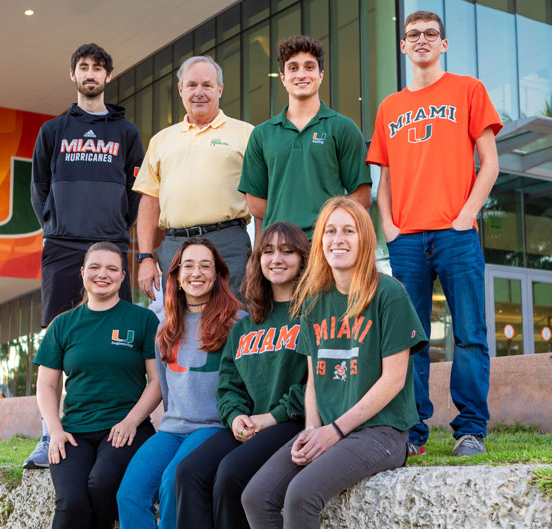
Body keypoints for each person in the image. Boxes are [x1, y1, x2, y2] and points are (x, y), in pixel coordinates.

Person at [241, 197, 427, 529]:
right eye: (330, 230)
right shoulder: (313, 302)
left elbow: (393, 380)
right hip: (327, 428)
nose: (337, 239)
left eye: (348, 230)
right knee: (256, 496)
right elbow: (314, 379)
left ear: (365, 239)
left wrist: (335, 431)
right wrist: (312, 430)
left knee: (300, 496)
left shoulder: (389, 294)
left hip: (380, 432)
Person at [366, 10, 502, 457]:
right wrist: (388, 226)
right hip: (406, 238)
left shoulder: (468, 90)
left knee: (469, 332)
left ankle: (470, 429)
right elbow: (383, 177)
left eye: (430, 34)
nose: (421, 40)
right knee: (410, 337)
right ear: (403, 47)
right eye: (412, 35)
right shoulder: (390, 107)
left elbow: (490, 164)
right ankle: (412, 430)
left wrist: (465, 216)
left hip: (455, 233)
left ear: (443, 44)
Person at [27, 43, 145, 469]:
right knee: (57, 337)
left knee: (123, 336)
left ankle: (125, 429)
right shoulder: (53, 131)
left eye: (98, 68)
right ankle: (48, 435)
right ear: (73, 75)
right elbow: (38, 185)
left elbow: (138, 191)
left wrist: (117, 226)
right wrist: (55, 223)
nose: (91, 74)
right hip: (62, 244)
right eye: (83, 67)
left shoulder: (127, 134)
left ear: (108, 77)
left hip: (112, 242)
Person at [175, 222, 310, 529]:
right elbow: (228, 385)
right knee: (188, 471)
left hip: (292, 422)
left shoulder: (312, 313)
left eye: (287, 251)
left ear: (303, 259)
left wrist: (270, 417)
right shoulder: (247, 325)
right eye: (269, 251)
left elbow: (318, 383)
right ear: (257, 260)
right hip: (248, 425)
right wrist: (236, 417)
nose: (277, 259)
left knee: (231, 473)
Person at [117, 237, 243, 529]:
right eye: (188, 265)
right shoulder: (166, 326)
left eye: (205, 266)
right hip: (172, 428)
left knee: (173, 484)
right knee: (129, 493)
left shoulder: (237, 322)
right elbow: (164, 385)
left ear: (217, 275)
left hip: (212, 427)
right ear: (176, 275)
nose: (196, 273)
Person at [33, 242, 161, 529]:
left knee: (102, 483)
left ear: (123, 276)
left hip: (128, 429)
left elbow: (157, 382)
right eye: (94, 267)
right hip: (75, 431)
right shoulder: (62, 325)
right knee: (71, 503)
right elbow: (46, 386)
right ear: (82, 273)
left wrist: (131, 422)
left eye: (112, 268)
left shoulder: (142, 320)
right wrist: (55, 432)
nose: (102, 274)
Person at [133, 56, 253, 303]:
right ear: (180, 89)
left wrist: (260, 253)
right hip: (175, 245)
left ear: (220, 89)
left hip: (229, 243)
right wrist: (145, 257)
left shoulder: (246, 134)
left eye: (207, 85)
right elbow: (149, 202)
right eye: (192, 85)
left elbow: (262, 198)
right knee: (178, 323)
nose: (199, 92)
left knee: (234, 317)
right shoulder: (161, 140)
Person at [239, 35, 371, 239]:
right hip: (281, 246)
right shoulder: (262, 134)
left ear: (321, 75)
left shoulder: (343, 127)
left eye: (309, 67)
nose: (301, 74)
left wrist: (328, 224)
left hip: (326, 245)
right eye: (293, 68)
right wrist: (288, 227)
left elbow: (361, 196)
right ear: (282, 77)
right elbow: (255, 203)